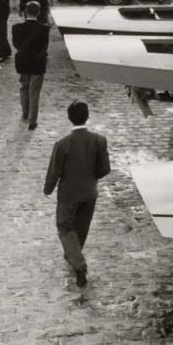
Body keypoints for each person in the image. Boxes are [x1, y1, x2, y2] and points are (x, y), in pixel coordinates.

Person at [43, 100, 111, 288]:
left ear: (69, 118)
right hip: (89, 193)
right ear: (87, 116)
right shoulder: (99, 140)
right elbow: (105, 169)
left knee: (65, 227)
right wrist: (91, 178)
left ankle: (79, 265)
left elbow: (54, 171)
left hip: (68, 194)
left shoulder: (62, 144)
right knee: (81, 227)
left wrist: (48, 189)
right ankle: (72, 253)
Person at [12, 0, 50, 130]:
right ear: (39, 13)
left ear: (24, 13)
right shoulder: (44, 28)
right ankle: (32, 121)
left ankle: (25, 113)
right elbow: (44, 47)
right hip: (37, 63)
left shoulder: (16, 28)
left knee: (24, 88)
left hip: (22, 61)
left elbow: (16, 45)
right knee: (34, 92)